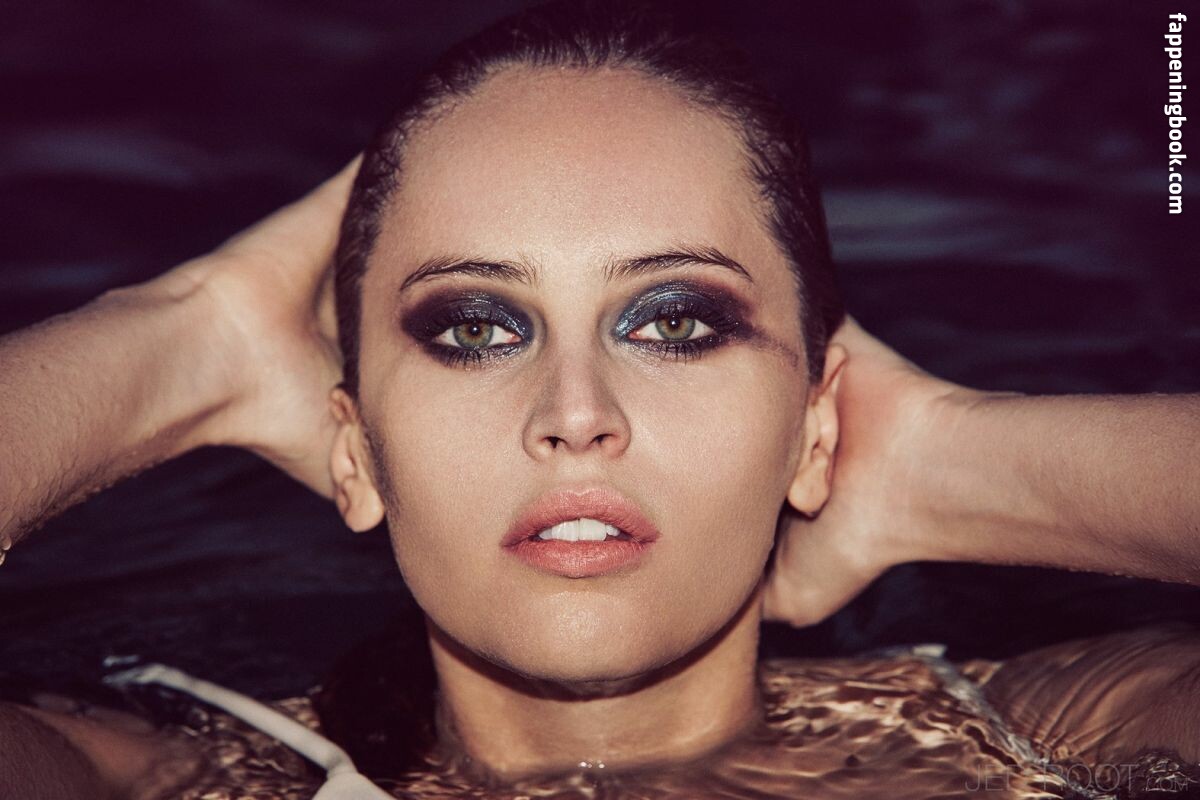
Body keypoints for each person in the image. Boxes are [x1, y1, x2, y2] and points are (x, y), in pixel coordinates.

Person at [1, 2, 1198, 797]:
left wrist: (950, 456)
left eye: (675, 323)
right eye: (476, 327)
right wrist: (185, 342)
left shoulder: (1056, 735)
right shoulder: (171, 780)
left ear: (816, 421)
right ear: (353, 453)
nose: (575, 411)